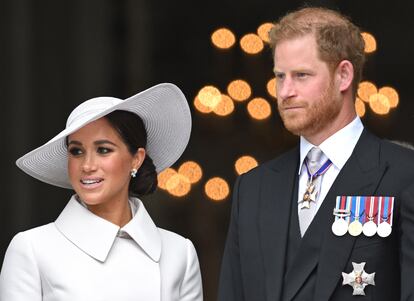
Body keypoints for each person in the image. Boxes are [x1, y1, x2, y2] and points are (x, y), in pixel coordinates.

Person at [218, 7, 414, 301]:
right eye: (280, 76)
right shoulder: (252, 188)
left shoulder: (404, 175)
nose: (285, 91)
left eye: (301, 75)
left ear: (343, 75)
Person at [0, 83, 203, 300]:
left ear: (137, 158)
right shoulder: (32, 249)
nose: (87, 165)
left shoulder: (180, 253)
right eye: (76, 151)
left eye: (103, 150)